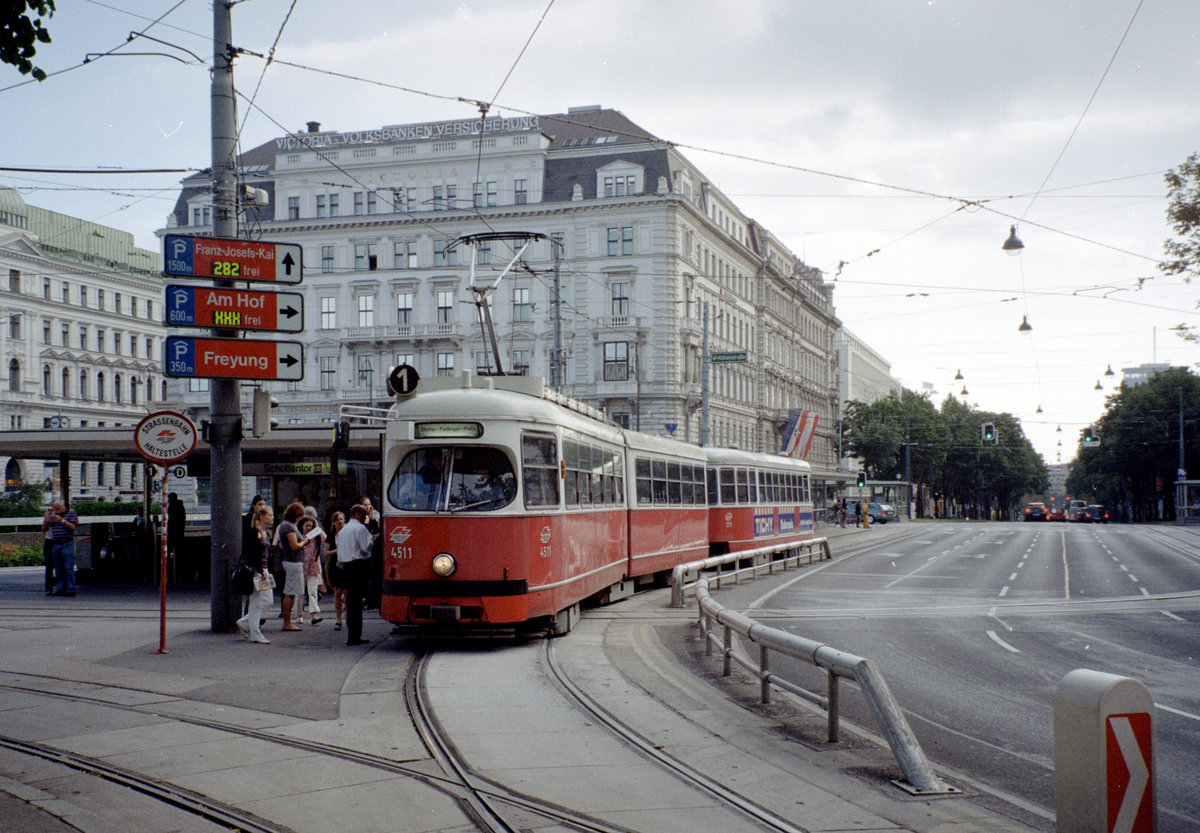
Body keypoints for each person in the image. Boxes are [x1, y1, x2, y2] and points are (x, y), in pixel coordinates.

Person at [337, 504, 375, 646]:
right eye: (364, 515)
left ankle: (352, 634)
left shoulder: (343, 530)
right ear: (358, 514)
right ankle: (355, 636)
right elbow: (366, 547)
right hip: (358, 565)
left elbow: (340, 554)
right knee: (357, 602)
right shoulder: (360, 528)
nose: (365, 518)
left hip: (346, 566)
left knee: (351, 602)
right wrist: (373, 540)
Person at [235, 504, 274, 644]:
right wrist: (260, 569)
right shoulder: (254, 532)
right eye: (269, 515)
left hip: (264, 570)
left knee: (268, 601)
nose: (272, 518)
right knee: (256, 602)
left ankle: (245, 623)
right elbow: (252, 554)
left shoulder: (266, 533)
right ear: (262, 517)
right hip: (256, 571)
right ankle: (255, 633)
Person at [275, 502, 307, 631]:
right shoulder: (289, 527)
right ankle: (287, 622)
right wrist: (305, 541)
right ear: (297, 515)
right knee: (290, 592)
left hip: (291, 561)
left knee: (291, 591)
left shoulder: (284, 525)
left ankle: (287, 621)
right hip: (293, 562)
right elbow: (294, 546)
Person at [44, 500, 79, 597]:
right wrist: (48, 514)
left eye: (58, 509)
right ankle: (60, 588)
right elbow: (45, 526)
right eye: (55, 509)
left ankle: (71, 589)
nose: (57, 511)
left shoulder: (71, 513)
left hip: (67, 542)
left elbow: (73, 527)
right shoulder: (54, 515)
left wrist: (62, 520)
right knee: (58, 568)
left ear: (64, 507)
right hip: (56, 543)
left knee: (68, 567)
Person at [298, 513, 325, 625]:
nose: (308, 528)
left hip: (313, 567)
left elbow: (324, 537)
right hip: (301, 567)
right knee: (300, 592)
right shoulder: (299, 537)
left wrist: (316, 525)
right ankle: (299, 615)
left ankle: (314, 615)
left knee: (312, 591)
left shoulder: (315, 537)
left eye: (310, 526)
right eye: (306, 526)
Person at [323, 511, 347, 631]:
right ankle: (338, 619)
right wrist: (337, 550)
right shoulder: (331, 535)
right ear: (333, 522)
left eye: (342, 519)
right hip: (336, 565)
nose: (340, 522)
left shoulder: (348, 532)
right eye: (337, 519)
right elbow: (326, 553)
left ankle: (348, 616)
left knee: (347, 591)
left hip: (347, 564)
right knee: (337, 592)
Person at [41, 505, 56, 595]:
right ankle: (48, 588)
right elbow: (44, 529)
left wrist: (49, 517)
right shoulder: (47, 517)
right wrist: (46, 518)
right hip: (49, 540)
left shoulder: (59, 516)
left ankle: (62, 585)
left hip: (58, 540)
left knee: (59, 565)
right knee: (49, 565)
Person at [167, 492, 186, 561]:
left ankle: (172, 559)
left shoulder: (173, 506)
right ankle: (177, 558)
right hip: (178, 530)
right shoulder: (180, 506)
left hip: (174, 530)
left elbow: (172, 518)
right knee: (178, 546)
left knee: (172, 545)